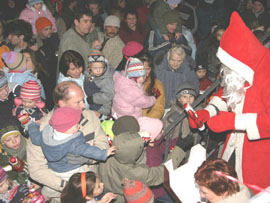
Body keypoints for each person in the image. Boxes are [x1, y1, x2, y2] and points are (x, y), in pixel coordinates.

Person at [189, 12, 270, 194]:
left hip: (258, 158)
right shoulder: (243, 70)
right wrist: (208, 111)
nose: (224, 69)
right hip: (233, 149)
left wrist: (232, 121)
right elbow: (228, 92)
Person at [27, 81, 109, 201]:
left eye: (83, 99)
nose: (84, 106)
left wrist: (89, 159)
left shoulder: (90, 117)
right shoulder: (44, 131)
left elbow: (103, 144)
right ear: (61, 103)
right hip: (64, 195)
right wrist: (71, 187)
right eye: (78, 102)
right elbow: (37, 170)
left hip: (93, 188)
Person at [98, 115, 187, 202]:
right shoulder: (134, 172)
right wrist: (179, 150)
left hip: (110, 193)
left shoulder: (104, 152)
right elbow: (160, 173)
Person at [28, 107, 116, 181]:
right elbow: (87, 150)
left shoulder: (46, 136)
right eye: (76, 125)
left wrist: (33, 126)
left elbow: (35, 137)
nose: (79, 126)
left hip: (55, 170)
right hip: (71, 171)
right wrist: (104, 153)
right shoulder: (73, 143)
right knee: (87, 183)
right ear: (66, 129)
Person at [58, 7, 100, 79]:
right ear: (76, 22)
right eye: (85, 21)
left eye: (90, 21)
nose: (89, 24)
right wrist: (93, 49)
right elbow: (74, 67)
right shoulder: (70, 40)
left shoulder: (82, 34)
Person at [154, 45, 199, 110]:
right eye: (173, 60)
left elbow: (195, 88)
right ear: (168, 58)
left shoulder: (189, 70)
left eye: (179, 61)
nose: (175, 63)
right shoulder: (158, 69)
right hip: (160, 106)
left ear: (183, 60)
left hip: (180, 108)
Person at [84, 50, 114, 117]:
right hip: (90, 102)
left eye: (101, 67)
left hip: (101, 107)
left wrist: (93, 99)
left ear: (104, 67)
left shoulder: (106, 79)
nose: (98, 70)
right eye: (95, 68)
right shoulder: (89, 73)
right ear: (89, 68)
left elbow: (109, 94)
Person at [140, 53, 165, 119]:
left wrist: (145, 121)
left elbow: (158, 108)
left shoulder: (157, 85)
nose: (144, 72)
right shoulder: (130, 82)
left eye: (147, 69)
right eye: (142, 68)